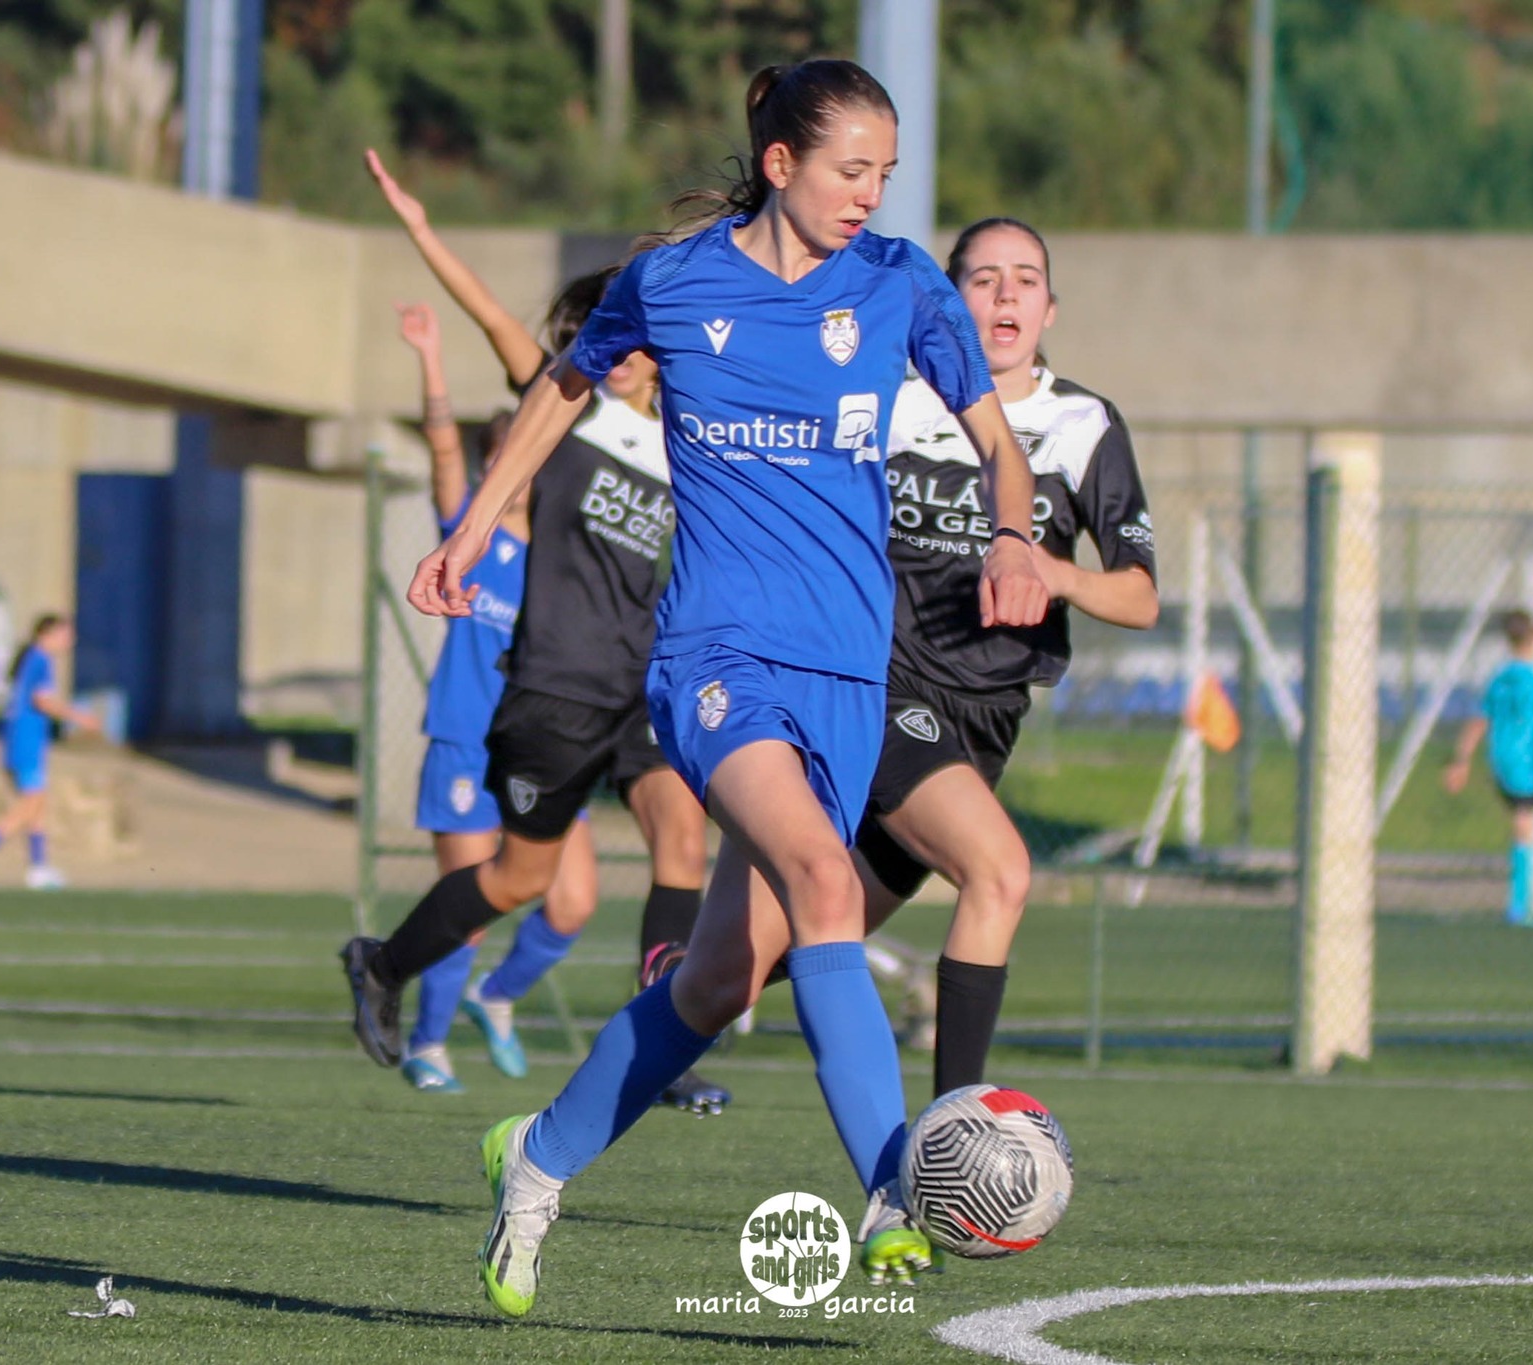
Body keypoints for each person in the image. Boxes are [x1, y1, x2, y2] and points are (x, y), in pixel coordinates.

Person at [395, 57, 1048, 1317]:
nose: (872, 194)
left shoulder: (901, 285)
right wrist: (476, 527)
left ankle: (533, 1162)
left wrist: (1013, 537)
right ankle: (894, 1191)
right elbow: (560, 386)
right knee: (820, 880)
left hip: (847, 674)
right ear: (781, 164)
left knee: (714, 983)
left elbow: (996, 447)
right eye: (851, 170)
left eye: (887, 174)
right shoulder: (675, 281)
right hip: (714, 661)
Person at [347, 151, 727, 1113]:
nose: (645, 348)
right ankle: (385, 962)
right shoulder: (571, 411)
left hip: (642, 686)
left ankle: (661, 1046)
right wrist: (422, 227)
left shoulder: (685, 440)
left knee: (682, 840)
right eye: (629, 333)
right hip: (557, 684)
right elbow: (492, 321)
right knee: (519, 878)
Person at [849, 216, 1159, 1096]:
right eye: (983, 278)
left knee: (763, 955)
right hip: (881, 686)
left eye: (1025, 278)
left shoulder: (1083, 424)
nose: (1006, 292)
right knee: (1000, 870)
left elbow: (1139, 596)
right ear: (949, 305)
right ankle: (952, 1132)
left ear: (1050, 309)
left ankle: (546, 1129)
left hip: (985, 722)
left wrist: (1049, 570)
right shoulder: (894, 397)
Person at [392, 300, 599, 1095]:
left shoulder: (563, 552)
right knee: (470, 906)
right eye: (499, 452)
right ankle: (428, 1043)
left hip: (544, 741)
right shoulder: (469, 535)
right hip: (464, 739)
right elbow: (442, 444)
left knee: (573, 901)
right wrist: (431, 355)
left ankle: (496, 997)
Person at [0, 614, 100, 889]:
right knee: (32, 802)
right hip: (26, 740)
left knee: (38, 804)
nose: (69, 641)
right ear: (46, 635)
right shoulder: (41, 660)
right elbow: (42, 700)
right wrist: (80, 717)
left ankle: (38, 868)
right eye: (65, 635)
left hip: (21, 738)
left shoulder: (32, 659)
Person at [1442, 609, 1533, 927]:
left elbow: (1479, 720)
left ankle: (1522, 902)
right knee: (1526, 826)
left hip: (1500, 758)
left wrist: (1461, 760)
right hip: (1526, 760)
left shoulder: (1498, 678)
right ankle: (1521, 905)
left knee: (1522, 824)